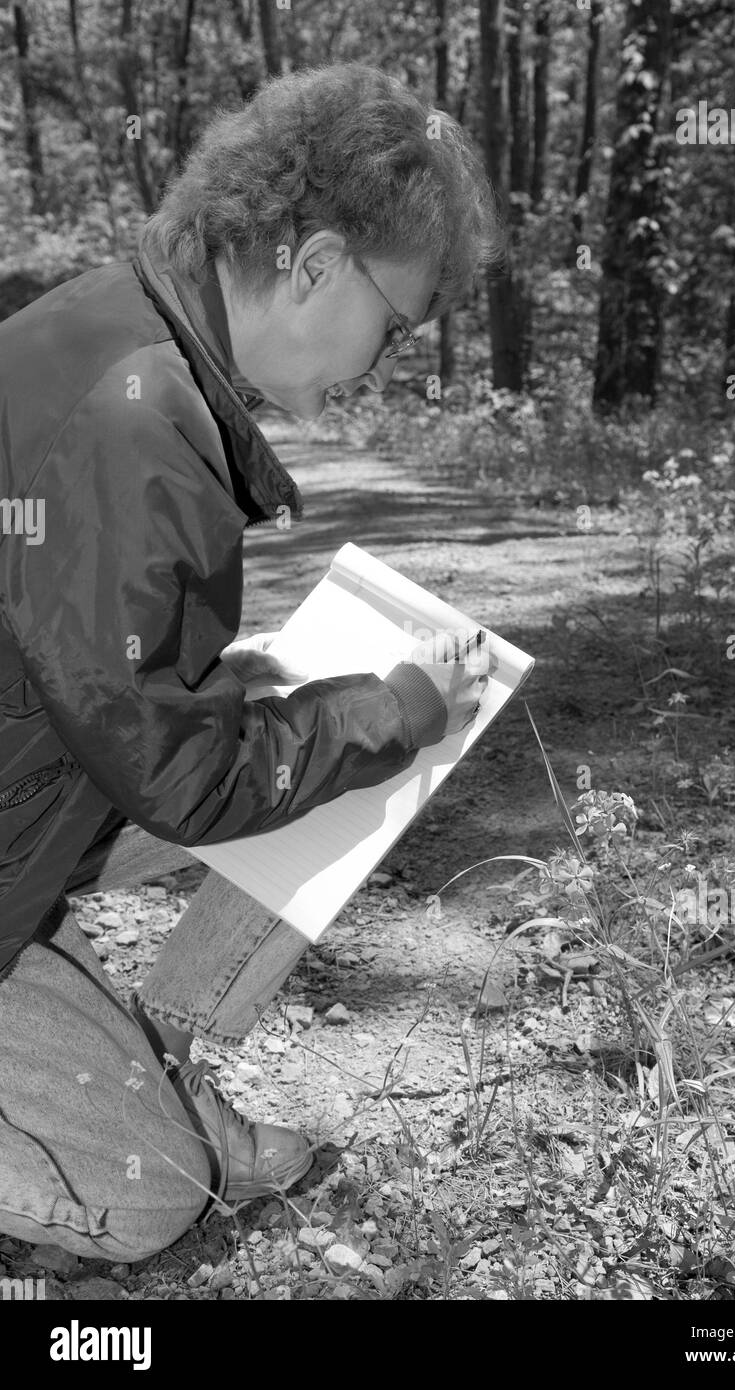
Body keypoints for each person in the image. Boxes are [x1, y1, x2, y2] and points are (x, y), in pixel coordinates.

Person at [0, 63, 501, 1263]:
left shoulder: (113, 330)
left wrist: (259, 679)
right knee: (151, 1198)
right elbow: (179, 778)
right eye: (399, 321)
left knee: (348, 727)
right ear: (317, 262)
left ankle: (147, 1077)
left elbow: (88, 666)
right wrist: (389, 709)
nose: (386, 362)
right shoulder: (139, 421)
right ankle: (145, 1122)